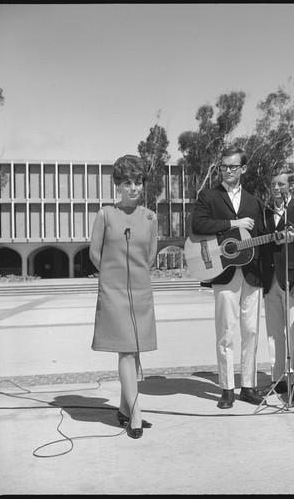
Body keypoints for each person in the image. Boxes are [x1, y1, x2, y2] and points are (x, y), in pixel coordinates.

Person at [191, 146, 267, 409]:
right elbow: (198, 226)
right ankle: (226, 388)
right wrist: (233, 224)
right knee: (225, 332)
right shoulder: (209, 196)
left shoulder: (255, 201)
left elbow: (264, 235)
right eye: (224, 166)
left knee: (252, 331)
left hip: (252, 273)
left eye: (233, 167)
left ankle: (248, 386)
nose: (228, 171)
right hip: (222, 272)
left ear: (243, 169)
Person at [89, 154, 158, 439]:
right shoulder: (105, 214)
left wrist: (137, 276)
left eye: (138, 182)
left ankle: (123, 409)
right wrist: (111, 276)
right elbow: (95, 253)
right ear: (118, 184)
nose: (134, 188)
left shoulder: (151, 217)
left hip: (140, 290)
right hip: (114, 291)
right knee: (126, 350)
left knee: (135, 349)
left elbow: (151, 254)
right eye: (127, 182)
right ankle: (137, 413)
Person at [260, 168, 294, 400]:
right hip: (269, 282)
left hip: (292, 281)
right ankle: (278, 380)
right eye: (273, 184)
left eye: (281, 184)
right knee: (273, 334)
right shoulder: (265, 211)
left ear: (291, 186)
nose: (276, 188)